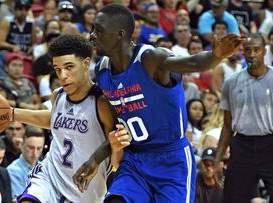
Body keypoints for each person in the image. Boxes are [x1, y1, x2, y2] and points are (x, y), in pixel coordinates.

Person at [73, 4, 242, 203]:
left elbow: (194, 63)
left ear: (120, 34)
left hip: (172, 161)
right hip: (135, 160)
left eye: (98, 30)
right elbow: (118, 129)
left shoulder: (151, 59)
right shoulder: (103, 72)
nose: (91, 35)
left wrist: (215, 56)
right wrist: (95, 159)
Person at [13, 34, 126, 203]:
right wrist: (12, 114)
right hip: (50, 175)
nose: (62, 75)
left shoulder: (101, 102)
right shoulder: (57, 96)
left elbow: (114, 146)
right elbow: (52, 119)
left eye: (69, 67)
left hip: (84, 188)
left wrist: (97, 160)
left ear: (86, 63)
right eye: (58, 69)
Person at [215, 33, 273, 202]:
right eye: (247, 50)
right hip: (242, 146)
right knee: (232, 198)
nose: (252, 54)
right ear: (242, 52)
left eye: (256, 50)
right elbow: (227, 125)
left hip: (270, 144)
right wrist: (218, 158)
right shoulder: (231, 82)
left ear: (264, 51)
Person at [7, 125, 45, 199]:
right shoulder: (12, 171)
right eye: (31, 148)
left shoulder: (46, 169)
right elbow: (20, 200)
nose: (35, 153)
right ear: (21, 145)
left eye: (39, 148)